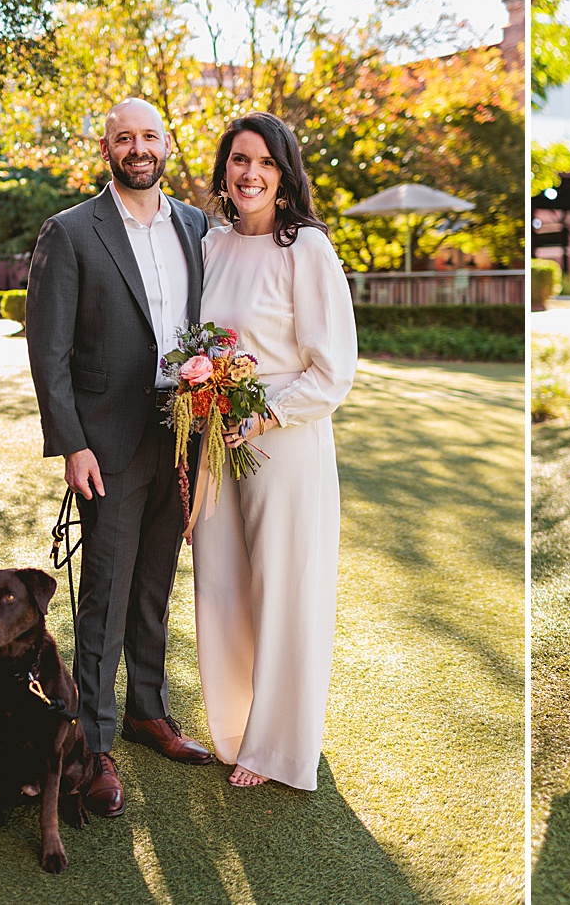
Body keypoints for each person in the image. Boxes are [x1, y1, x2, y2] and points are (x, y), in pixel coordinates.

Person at [26, 98, 214, 817]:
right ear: (105, 148)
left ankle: (148, 711)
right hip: (105, 443)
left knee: (156, 582)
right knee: (103, 594)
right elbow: (50, 351)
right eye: (123, 138)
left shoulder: (197, 226)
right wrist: (72, 442)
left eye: (149, 136)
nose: (138, 148)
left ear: (168, 144)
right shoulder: (70, 231)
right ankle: (95, 743)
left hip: (183, 434)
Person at [190, 111, 357, 790]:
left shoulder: (307, 249)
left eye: (263, 162)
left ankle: (280, 747)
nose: (250, 173)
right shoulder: (214, 244)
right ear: (224, 173)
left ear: (284, 176)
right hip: (212, 442)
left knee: (285, 591)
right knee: (222, 585)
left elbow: (333, 369)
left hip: (282, 444)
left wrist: (265, 418)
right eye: (238, 161)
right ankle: (236, 726)